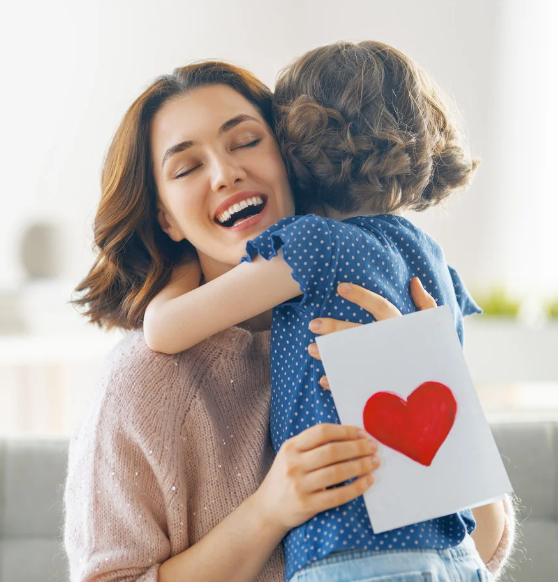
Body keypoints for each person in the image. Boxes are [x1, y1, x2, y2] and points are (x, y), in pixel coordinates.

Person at [66, 60, 514, 582]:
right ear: (166, 218)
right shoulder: (145, 381)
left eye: (246, 141)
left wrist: (425, 369)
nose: (225, 172)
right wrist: (269, 511)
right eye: (186, 168)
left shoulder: (387, 304)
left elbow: (479, 549)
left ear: (291, 158)